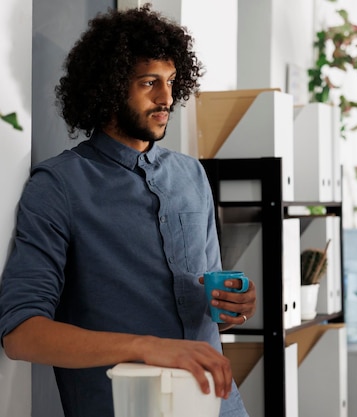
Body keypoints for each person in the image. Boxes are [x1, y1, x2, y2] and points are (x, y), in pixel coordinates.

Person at [0, 5, 256, 417]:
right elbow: (21, 335)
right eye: (149, 82)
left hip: (216, 406)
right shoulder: (59, 186)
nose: (166, 98)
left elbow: (205, 308)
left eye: (171, 81)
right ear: (110, 86)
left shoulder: (192, 175)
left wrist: (232, 308)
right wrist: (145, 347)